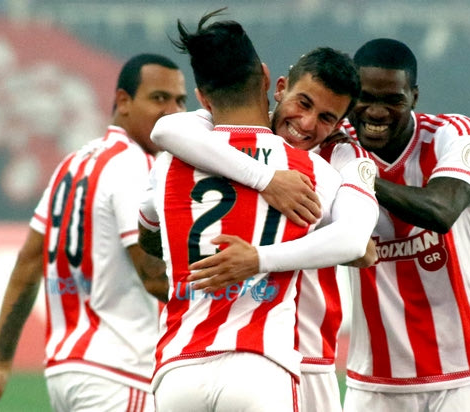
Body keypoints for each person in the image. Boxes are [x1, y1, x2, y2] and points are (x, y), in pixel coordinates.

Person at [137, 10, 362, 412]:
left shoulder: (170, 161)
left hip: (178, 368)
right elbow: (360, 245)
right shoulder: (314, 173)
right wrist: (266, 187)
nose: (307, 122)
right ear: (269, 81)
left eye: (326, 117)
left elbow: (149, 231)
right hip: (263, 365)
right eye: (304, 103)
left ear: (202, 96)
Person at [0, 53, 187, 412]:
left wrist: (1, 362)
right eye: (159, 98)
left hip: (65, 373)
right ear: (123, 101)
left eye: (180, 101)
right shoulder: (136, 166)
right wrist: (228, 289)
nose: (173, 112)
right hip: (120, 371)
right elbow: (153, 274)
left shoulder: (71, 165)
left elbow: (27, 263)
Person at [342, 38, 470, 411]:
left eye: (393, 100)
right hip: (375, 378)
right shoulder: (334, 143)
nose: (376, 112)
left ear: (414, 96)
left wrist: (358, 176)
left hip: (462, 371)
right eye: (365, 97)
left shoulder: (455, 133)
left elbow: (442, 211)